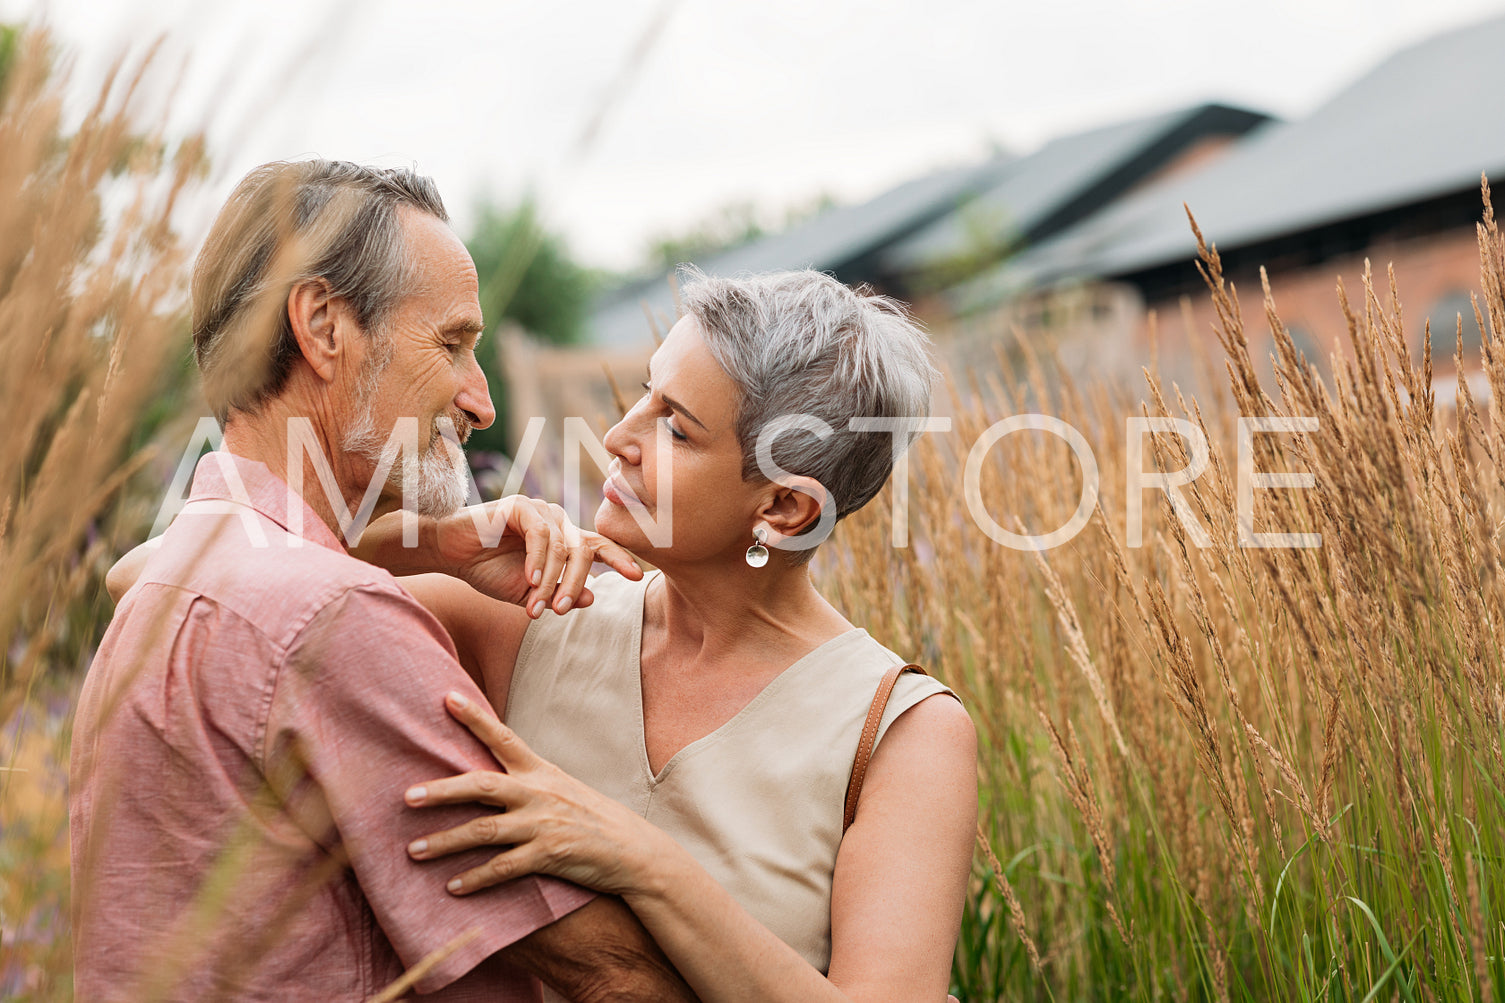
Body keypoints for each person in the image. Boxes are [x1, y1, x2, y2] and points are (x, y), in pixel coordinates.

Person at [73, 160, 696, 1001]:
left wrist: (433, 544)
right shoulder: (334, 617)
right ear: (324, 326)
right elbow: (606, 973)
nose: (479, 401)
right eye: (451, 343)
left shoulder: (178, 576)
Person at [360, 269, 979, 1002]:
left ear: (782, 506)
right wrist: (436, 544)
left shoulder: (903, 734)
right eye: (643, 397)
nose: (619, 437)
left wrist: (643, 863)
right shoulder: (540, 611)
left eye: (675, 428)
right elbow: (281, 601)